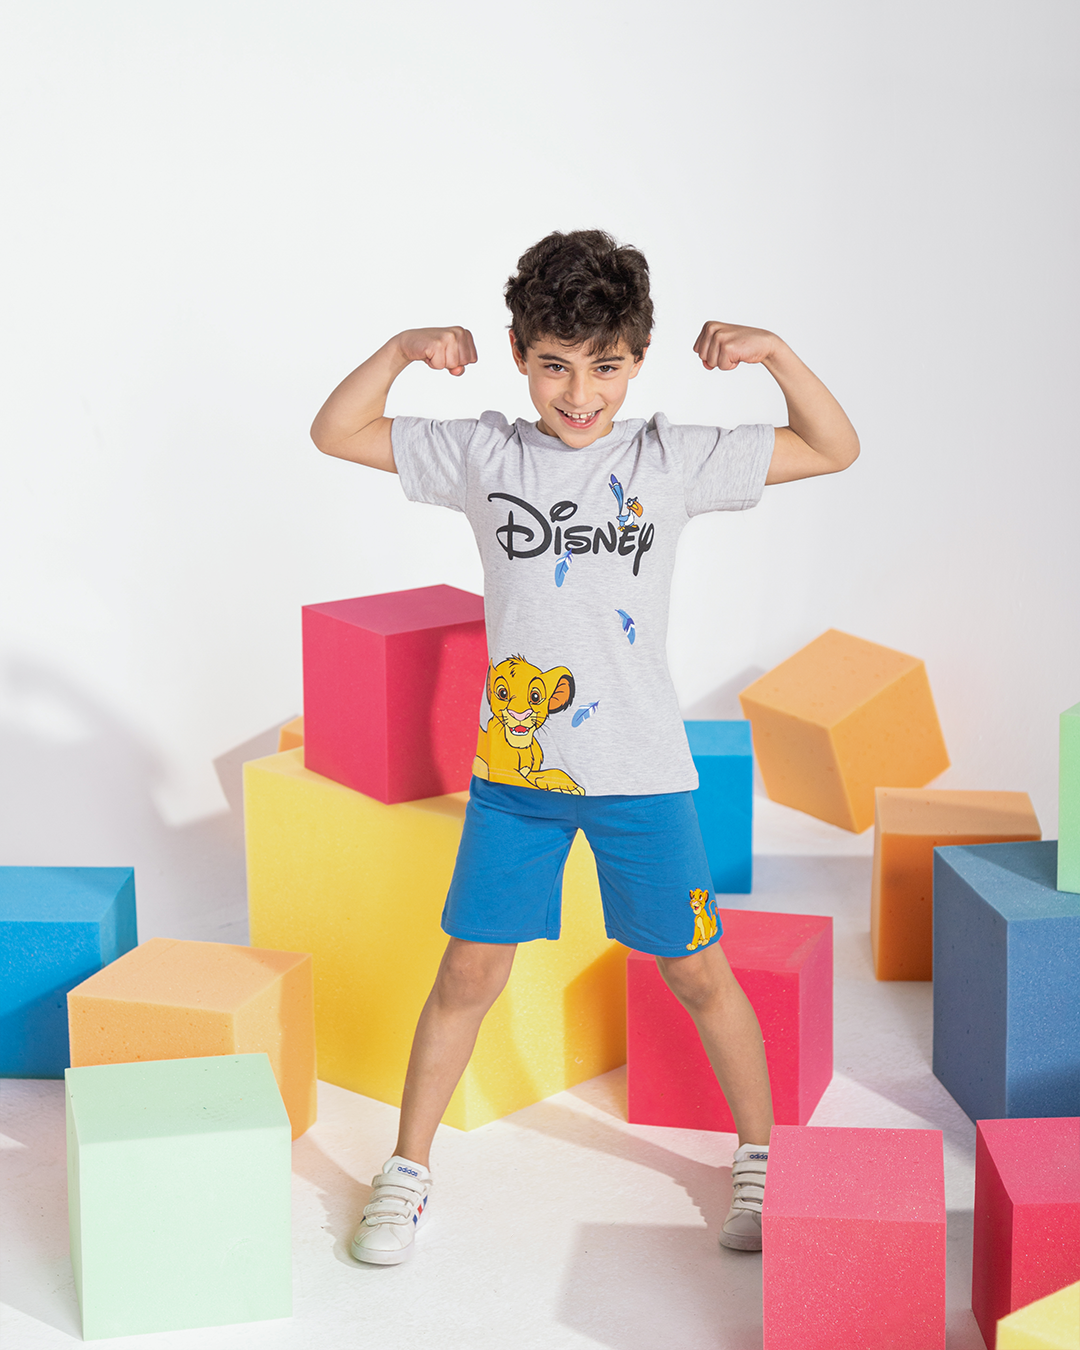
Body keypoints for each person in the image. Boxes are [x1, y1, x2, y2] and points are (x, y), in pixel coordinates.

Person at [310, 229, 859, 1265]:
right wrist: (400, 350)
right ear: (520, 354)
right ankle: (407, 1172)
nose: (579, 392)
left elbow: (834, 447)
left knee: (699, 974)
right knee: (468, 973)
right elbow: (336, 431)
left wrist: (777, 355)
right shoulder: (485, 455)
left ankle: (761, 1158)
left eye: (604, 366)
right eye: (556, 364)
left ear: (637, 360)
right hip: (517, 783)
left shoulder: (669, 458)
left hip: (642, 778)